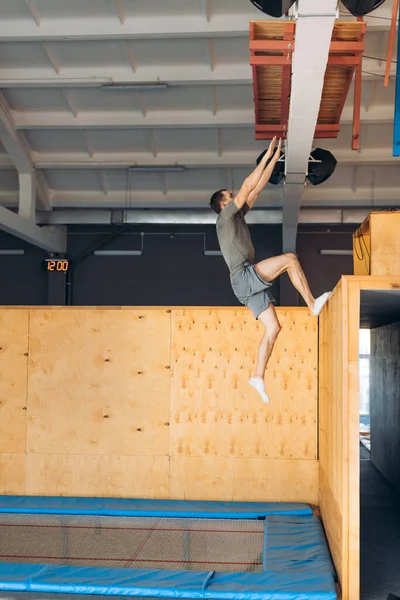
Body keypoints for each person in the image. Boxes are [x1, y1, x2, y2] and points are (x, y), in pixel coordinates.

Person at [209, 137, 331, 404]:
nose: (236, 198)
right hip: (243, 275)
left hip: (244, 280)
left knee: (273, 328)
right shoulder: (225, 217)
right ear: (223, 204)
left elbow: (257, 189)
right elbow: (247, 185)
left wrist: (276, 158)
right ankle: (312, 304)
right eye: (230, 197)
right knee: (290, 259)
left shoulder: (237, 215)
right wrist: (266, 157)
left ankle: (258, 376)